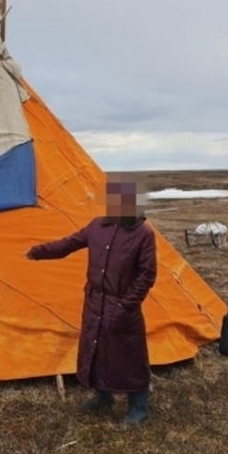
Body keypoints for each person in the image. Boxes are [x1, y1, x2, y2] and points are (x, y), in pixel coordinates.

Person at [25, 174, 157, 425]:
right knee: (97, 350)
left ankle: (139, 408)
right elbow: (67, 244)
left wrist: (125, 306)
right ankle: (103, 396)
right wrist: (37, 251)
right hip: (95, 302)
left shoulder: (143, 234)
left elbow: (147, 275)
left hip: (122, 306)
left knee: (129, 355)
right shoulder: (97, 226)